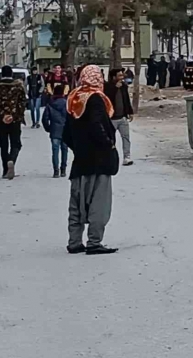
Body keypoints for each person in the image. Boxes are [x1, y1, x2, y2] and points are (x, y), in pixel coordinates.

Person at [63, 65, 119, 255]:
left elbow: (66, 135)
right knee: (99, 203)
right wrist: (108, 144)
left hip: (80, 162)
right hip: (99, 161)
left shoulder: (74, 97)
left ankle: (74, 242)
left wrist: (80, 149)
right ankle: (94, 242)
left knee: (76, 204)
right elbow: (97, 125)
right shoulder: (95, 98)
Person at [0, 66, 27, 179]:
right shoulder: (18, 87)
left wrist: (3, 115)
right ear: (11, 74)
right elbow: (22, 103)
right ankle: (12, 160)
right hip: (15, 120)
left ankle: (5, 170)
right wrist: (13, 115)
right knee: (16, 143)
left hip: (0, 120)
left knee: (3, 144)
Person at [105, 68, 134, 166]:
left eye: (122, 75)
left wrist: (130, 112)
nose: (122, 78)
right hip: (112, 119)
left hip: (122, 117)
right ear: (114, 77)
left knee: (126, 137)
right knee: (111, 139)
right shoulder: (107, 87)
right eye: (119, 76)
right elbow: (107, 100)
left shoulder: (124, 87)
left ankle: (127, 157)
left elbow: (126, 99)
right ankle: (111, 158)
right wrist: (114, 88)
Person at [42, 87, 69, 178]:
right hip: (65, 130)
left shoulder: (50, 104)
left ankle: (56, 170)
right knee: (64, 150)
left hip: (54, 130)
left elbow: (45, 118)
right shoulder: (67, 104)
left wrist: (48, 128)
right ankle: (63, 169)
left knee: (55, 150)